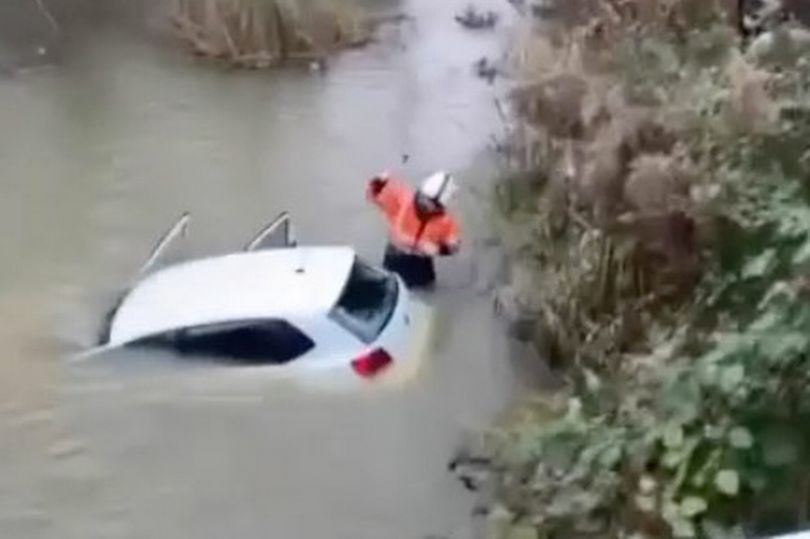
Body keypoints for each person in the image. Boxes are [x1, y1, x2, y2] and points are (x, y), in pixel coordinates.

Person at [367, 170, 461, 289]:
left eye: (429, 202)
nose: (423, 203)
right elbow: (374, 196)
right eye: (423, 197)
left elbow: (453, 246)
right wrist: (377, 183)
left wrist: (439, 249)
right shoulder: (403, 198)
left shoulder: (446, 221)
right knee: (389, 285)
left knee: (426, 290)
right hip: (396, 256)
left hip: (421, 263)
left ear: (440, 206)